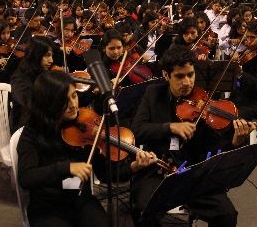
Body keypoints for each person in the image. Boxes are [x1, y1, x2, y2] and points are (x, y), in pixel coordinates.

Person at [131, 46, 255, 227]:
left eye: (190, 75)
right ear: (166, 75)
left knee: (227, 214)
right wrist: (170, 127)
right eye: (179, 77)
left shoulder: (204, 103)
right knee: (143, 210)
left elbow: (215, 148)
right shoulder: (153, 94)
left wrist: (235, 142)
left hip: (192, 173)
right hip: (157, 169)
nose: (187, 82)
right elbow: (138, 130)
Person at [17, 70, 156, 227]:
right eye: (64, 101)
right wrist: (66, 168)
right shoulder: (32, 132)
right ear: (49, 103)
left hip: (79, 199)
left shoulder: (85, 125)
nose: (73, 105)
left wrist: (134, 166)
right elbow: (26, 177)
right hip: (48, 207)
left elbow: (104, 174)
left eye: (74, 96)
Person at [11, 36, 61, 131]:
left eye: (51, 56)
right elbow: (30, 104)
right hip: (26, 127)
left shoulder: (43, 72)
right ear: (36, 55)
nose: (51, 60)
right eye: (47, 55)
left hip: (45, 120)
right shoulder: (19, 78)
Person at [229, 20, 257, 121]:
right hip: (240, 93)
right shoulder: (251, 48)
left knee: (230, 118)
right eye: (247, 37)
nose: (248, 41)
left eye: (252, 37)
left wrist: (240, 73)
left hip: (253, 100)